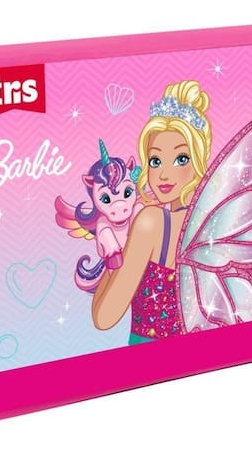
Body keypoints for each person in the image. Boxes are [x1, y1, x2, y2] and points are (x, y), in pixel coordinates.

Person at [91, 80, 213, 344]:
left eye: (181, 159)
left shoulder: (152, 222)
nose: (164, 174)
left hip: (151, 356)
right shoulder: (212, 223)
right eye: (155, 161)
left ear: (199, 160)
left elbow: (104, 317)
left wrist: (113, 252)